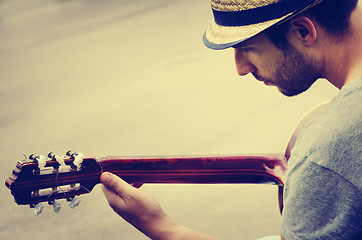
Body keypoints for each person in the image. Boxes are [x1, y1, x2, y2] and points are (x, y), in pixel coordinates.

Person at [100, 0, 362, 239]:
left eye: (247, 48)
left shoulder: (326, 154)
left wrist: (160, 226)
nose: (240, 68)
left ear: (303, 31)